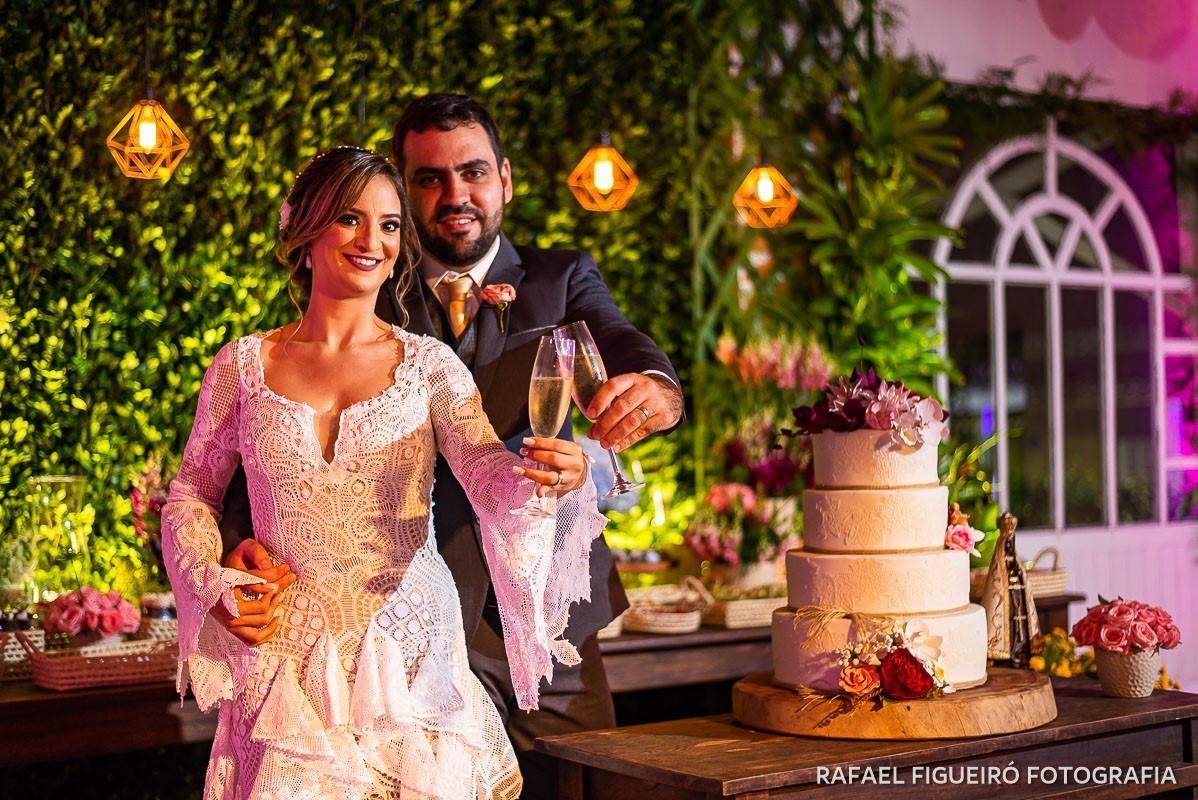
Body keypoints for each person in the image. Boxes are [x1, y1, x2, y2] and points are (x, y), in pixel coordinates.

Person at [224, 94, 684, 798]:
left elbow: (619, 339)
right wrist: (234, 551)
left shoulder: (561, 279)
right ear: (402, 193)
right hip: (411, 632)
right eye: (429, 179)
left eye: (472, 172)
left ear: (505, 178)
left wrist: (654, 385)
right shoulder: (365, 286)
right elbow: (266, 451)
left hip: (546, 619)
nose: (454, 194)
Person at [164, 146, 606, 800]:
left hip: (410, 656)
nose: (374, 240)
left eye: (392, 224)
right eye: (350, 218)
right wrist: (214, 581)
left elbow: (487, 474)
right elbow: (191, 495)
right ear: (305, 230)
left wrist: (540, 480)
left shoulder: (429, 366)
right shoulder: (241, 366)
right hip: (289, 664)